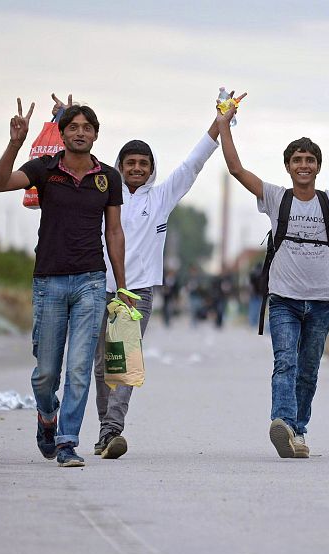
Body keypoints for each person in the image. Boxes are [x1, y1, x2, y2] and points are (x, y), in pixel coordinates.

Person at [47, 95, 223, 459]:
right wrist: (62, 118)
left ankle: (113, 428)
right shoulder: (103, 191)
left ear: (152, 169)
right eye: (131, 163)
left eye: (144, 164)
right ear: (120, 166)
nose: (137, 168)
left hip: (136, 294)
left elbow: (193, 164)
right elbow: (74, 159)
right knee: (100, 364)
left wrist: (220, 122)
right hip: (97, 288)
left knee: (122, 361)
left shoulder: (160, 198)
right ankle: (105, 432)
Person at [216, 95, 329, 458]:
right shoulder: (276, 198)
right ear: (288, 167)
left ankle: (298, 431)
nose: (303, 165)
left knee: (308, 370)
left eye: (309, 160)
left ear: (318, 167)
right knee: (286, 362)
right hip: (283, 299)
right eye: (297, 160)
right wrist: (224, 125)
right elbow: (236, 169)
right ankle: (282, 423)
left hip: (322, 301)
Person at [0, 98, 130, 467]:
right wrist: (15, 143)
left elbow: (114, 232)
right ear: (62, 134)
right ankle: (47, 416)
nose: (80, 132)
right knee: (46, 373)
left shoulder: (108, 177)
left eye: (87, 127)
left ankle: (67, 442)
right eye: (73, 127)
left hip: (91, 282)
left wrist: (122, 285)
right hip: (49, 282)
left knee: (80, 369)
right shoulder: (44, 169)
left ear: (96, 135)